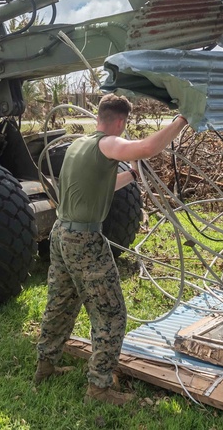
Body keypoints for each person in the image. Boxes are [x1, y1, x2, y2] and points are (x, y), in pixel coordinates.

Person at [34, 94, 188, 406]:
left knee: (60, 303)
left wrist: (131, 175)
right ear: (119, 121)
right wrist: (182, 121)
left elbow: (96, 184)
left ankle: (45, 367)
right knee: (111, 314)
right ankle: (99, 389)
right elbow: (146, 148)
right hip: (84, 242)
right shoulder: (108, 143)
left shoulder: (80, 144)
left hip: (62, 233)